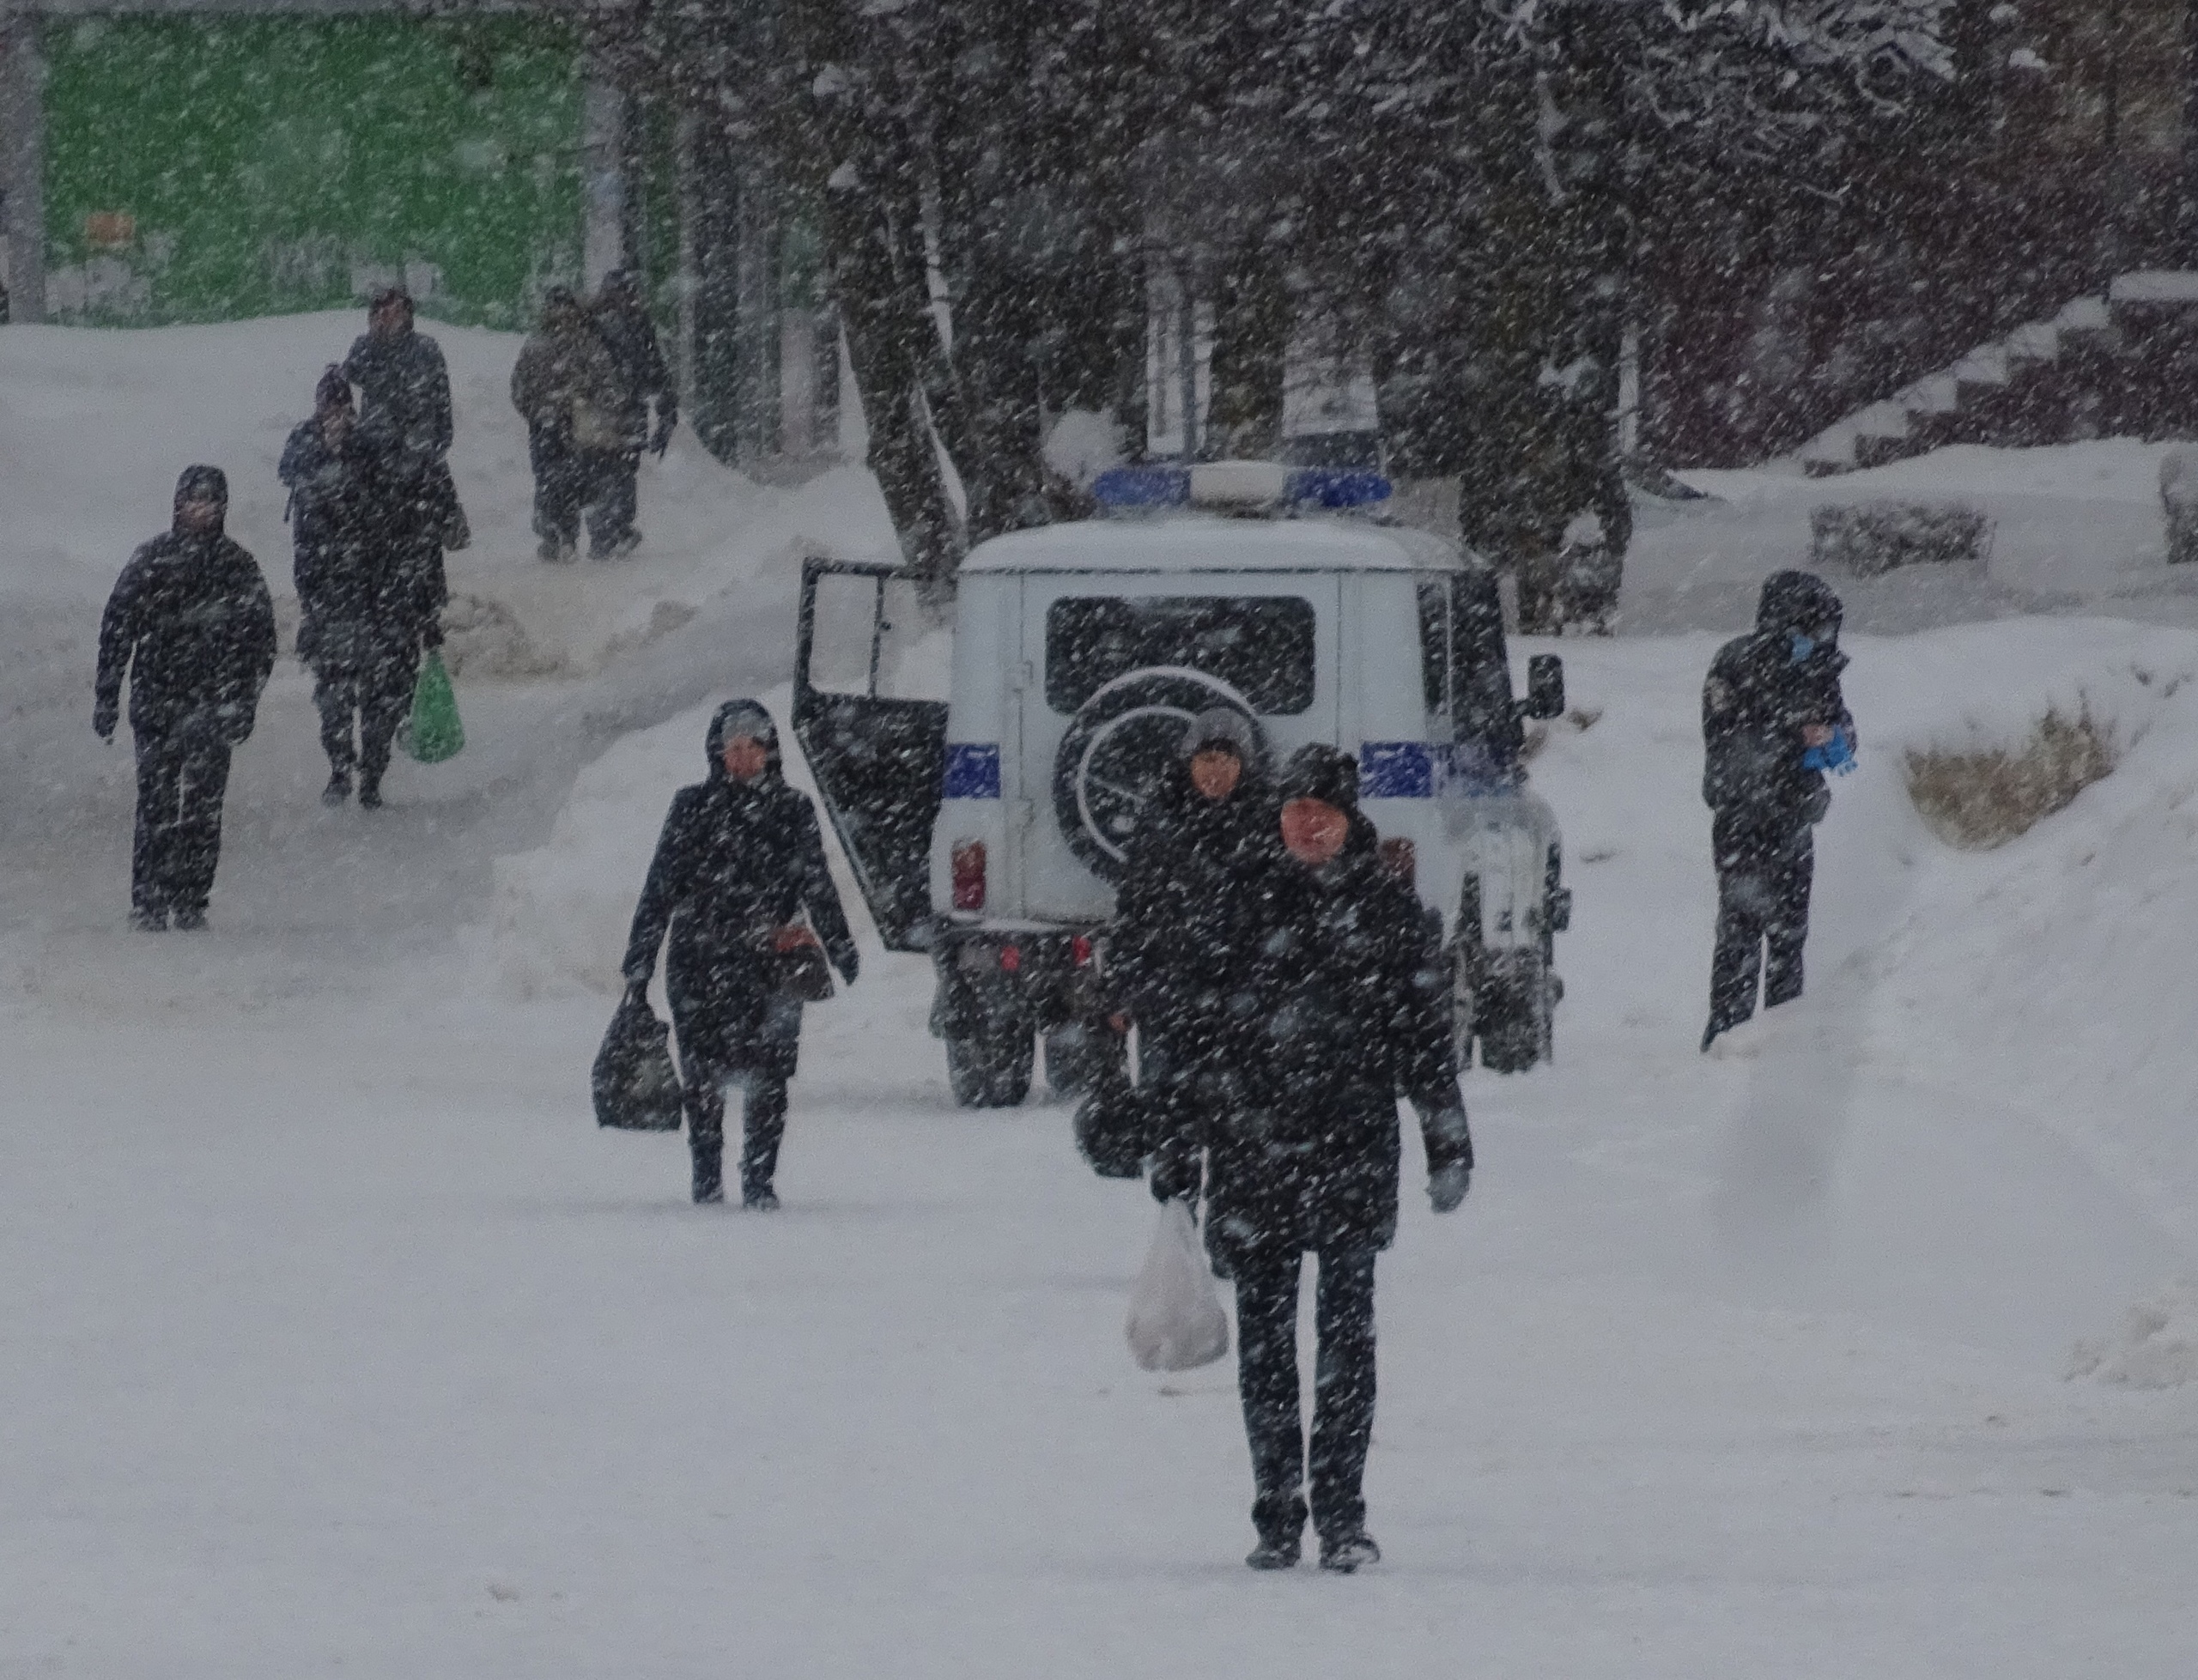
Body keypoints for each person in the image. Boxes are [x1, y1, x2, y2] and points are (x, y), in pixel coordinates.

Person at [1153, 743, 1472, 1573]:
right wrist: (1175, 1145)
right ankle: (1276, 1514)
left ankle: (1341, 1514)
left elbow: (1426, 1040)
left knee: (1346, 1344)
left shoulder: (1389, 911)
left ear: (1346, 819)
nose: (1306, 825)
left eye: (1320, 813)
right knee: (1265, 1346)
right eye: (1295, 810)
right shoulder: (1237, 903)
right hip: (1253, 1150)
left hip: (1352, 1151)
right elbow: (1190, 1034)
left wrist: (1447, 1138)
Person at [622, 701, 859, 1206]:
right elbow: (659, 889)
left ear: (769, 752)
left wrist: (839, 945)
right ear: (717, 752)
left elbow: (816, 883)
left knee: (770, 1077)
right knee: (701, 1079)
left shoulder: (793, 810)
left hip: (770, 965)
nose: (744, 757)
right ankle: (706, 1178)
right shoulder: (691, 808)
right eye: (733, 748)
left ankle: (759, 1181)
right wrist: (639, 965)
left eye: (754, 747)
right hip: (699, 963)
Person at [94, 466, 276, 931]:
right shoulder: (152, 560)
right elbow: (118, 627)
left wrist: (244, 700)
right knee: (154, 801)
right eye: (192, 501)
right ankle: (150, 899)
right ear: (178, 505)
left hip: (214, 705)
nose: (201, 510)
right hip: (157, 700)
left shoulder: (238, 566)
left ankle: (192, 898)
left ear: (222, 508)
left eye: (210, 501)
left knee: (202, 808)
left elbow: (260, 642)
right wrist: (107, 695)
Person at [1699, 569, 1856, 1051]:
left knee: (1789, 935)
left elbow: (1844, 729)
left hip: (1793, 819)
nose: (1820, 640)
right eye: (1815, 628)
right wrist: (1794, 734)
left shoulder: (1817, 670)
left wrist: (1833, 740)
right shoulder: (1737, 664)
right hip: (1744, 820)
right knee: (1741, 932)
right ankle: (1729, 1036)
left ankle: (1783, 1038)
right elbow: (1730, 744)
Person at [1114, 708, 1272, 1186]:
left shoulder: (1266, 824)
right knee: (1169, 1124)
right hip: (1171, 1001)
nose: (1215, 772)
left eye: (1227, 760)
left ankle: (1232, 1236)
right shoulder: (1160, 823)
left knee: (1240, 1130)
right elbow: (1134, 910)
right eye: (1206, 759)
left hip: (1242, 1004)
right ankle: (1175, 1225)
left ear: (1245, 765)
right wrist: (1123, 987)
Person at [280, 366, 445, 809]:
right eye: (327, 406)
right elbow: (295, 477)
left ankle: (372, 772)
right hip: (332, 595)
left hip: (382, 596)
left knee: (383, 695)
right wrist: (327, 452)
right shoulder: (306, 447)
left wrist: (424, 605)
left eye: (342, 406)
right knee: (333, 693)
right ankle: (340, 767)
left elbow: (408, 524)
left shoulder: (376, 449)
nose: (335, 415)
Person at [511, 286, 629, 561]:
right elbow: (609, 386)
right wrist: (588, 400)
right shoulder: (586, 343)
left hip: (547, 426)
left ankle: (559, 536)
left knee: (551, 481)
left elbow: (519, 388)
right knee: (579, 480)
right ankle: (585, 536)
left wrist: (537, 410)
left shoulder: (536, 345)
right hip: (577, 426)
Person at [588, 270, 677, 556]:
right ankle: (611, 530)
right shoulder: (629, 326)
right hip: (619, 411)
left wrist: (666, 415)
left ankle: (608, 530)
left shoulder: (596, 326)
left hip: (608, 412)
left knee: (610, 471)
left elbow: (655, 370)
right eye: (627, 293)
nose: (631, 299)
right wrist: (666, 415)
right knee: (617, 471)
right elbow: (655, 371)